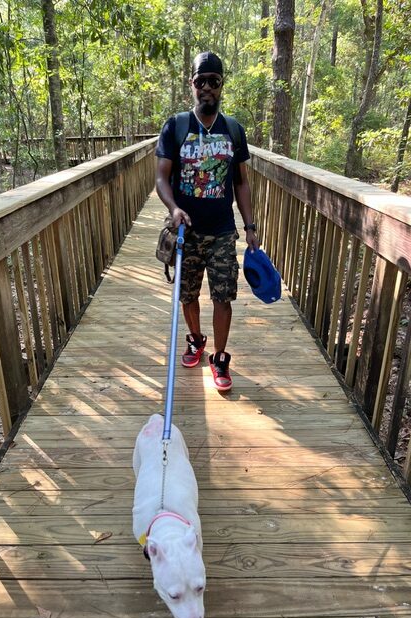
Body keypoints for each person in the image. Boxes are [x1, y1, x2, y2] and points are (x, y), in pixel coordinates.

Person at [155, 51, 259, 392]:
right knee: (187, 295)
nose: (207, 88)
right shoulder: (176, 126)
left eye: (214, 81)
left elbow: (241, 182)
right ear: (192, 85)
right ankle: (196, 340)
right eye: (201, 81)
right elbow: (160, 177)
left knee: (223, 297)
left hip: (223, 231)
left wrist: (251, 226)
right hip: (186, 230)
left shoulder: (233, 130)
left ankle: (219, 357)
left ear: (221, 85)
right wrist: (173, 208)